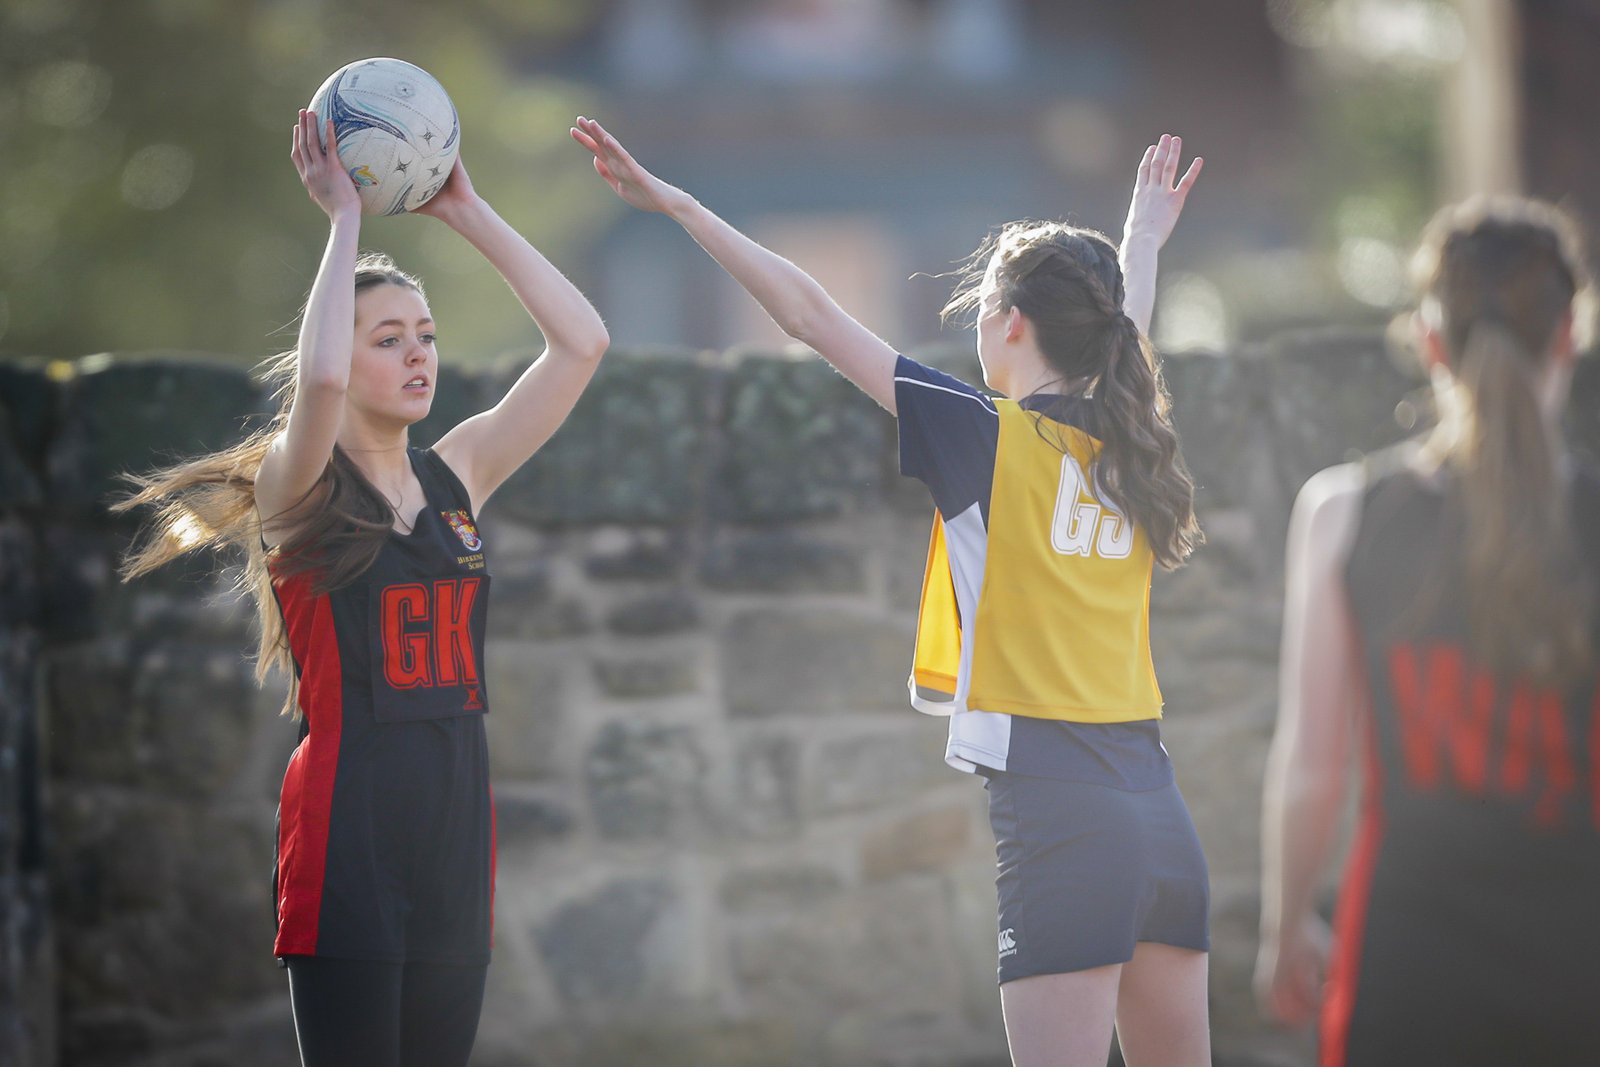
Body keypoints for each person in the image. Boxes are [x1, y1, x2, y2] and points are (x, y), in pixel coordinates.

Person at [572, 117, 1210, 1067]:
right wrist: (1143, 242)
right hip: (1160, 813)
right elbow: (1130, 337)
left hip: (1062, 810)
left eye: (981, 309)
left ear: (1012, 323)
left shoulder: (986, 435)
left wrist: (682, 206)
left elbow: (810, 315)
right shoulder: (1126, 442)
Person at [116, 109, 610, 1067]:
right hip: (347, 835)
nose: (419, 353)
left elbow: (582, 342)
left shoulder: (460, 471)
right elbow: (320, 381)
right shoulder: (296, 489)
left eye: (426, 334)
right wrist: (343, 218)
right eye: (389, 338)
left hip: (455, 832)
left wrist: (466, 212)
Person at [1255, 196, 1600, 1065]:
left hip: (1408, 966)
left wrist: (1286, 928)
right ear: (1570, 334)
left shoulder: (1344, 513)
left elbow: (1314, 766)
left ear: (1428, 342)